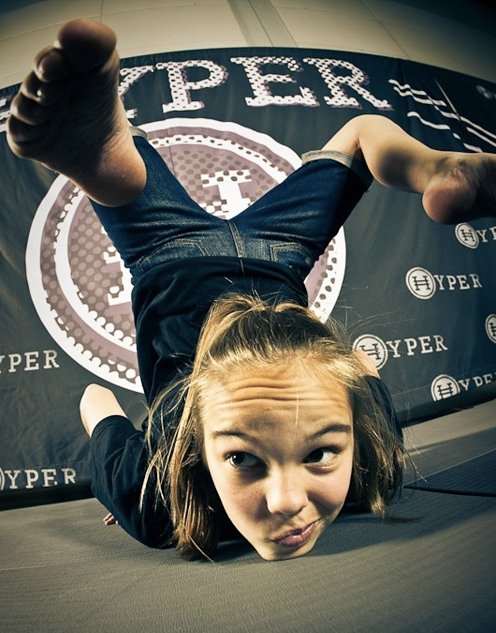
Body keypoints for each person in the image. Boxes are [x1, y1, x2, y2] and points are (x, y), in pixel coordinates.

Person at [7, 19, 496, 561]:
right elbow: (96, 402)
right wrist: (125, 469)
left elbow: (360, 362)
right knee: (359, 131)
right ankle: (107, 159)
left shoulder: (157, 499)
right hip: (196, 257)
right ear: (354, 436)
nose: (287, 503)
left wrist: (138, 483)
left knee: (362, 132)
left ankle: (105, 155)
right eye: (321, 451)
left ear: (195, 448)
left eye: (240, 457)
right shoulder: (363, 464)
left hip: (241, 255)